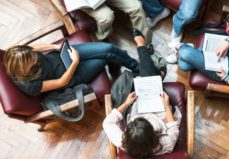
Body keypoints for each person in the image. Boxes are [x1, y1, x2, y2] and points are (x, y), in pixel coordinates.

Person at [103, 29, 181, 157]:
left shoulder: (123, 142)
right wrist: (166, 105)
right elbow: (172, 126)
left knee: (144, 79)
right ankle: (143, 48)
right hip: (162, 113)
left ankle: (157, 70)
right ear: (153, 135)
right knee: (148, 77)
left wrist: (127, 103)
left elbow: (107, 122)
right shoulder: (167, 142)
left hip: (137, 107)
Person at [4, 42, 140, 96]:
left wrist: (53, 46)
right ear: (25, 68)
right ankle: (138, 69)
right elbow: (61, 83)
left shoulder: (19, 56)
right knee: (106, 57)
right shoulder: (30, 86)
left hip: (61, 55)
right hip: (71, 75)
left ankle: (137, 69)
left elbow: (34, 48)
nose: (36, 56)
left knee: (109, 49)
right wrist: (75, 61)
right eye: (33, 59)